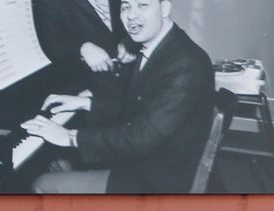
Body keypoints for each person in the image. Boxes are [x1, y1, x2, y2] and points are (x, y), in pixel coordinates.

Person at [23, 0, 212, 193]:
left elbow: (142, 137)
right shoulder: (158, 48)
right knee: (59, 164)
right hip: (151, 163)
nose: (131, 15)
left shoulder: (186, 64)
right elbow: (137, 110)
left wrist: (69, 137)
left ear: (164, 8)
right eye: (126, 6)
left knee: (42, 185)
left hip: (159, 181)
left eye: (143, 5)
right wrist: (85, 103)